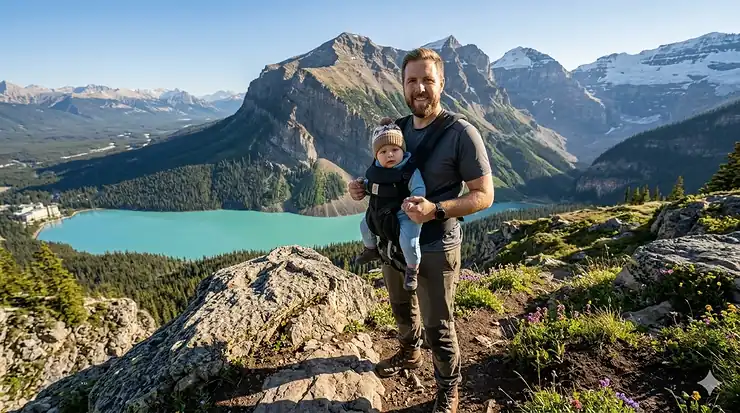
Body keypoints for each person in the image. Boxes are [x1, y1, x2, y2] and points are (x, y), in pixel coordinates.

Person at [348, 47, 494, 413]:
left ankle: (448, 390)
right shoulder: (394, 130)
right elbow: (382, 173)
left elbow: (484, 196)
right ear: (402, 85)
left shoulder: (462, 133)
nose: (420, 88)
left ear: (441, 83)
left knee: (439, 326)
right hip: (392, 240)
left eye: (428, 80)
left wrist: (436, 209)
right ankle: (409, 353)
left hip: (436, 244)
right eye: (412, 80)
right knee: (399, 303)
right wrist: (361, 188)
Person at [354, 121, 426, 292]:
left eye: (395, 150)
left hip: (405, 214)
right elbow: (371, 185)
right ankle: (371, 250)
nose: (390, 155)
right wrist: (361, 185)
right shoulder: (377, 169)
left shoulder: (409, 171)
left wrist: (414, 201)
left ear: (403, 150)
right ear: (376, 155)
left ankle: (412, 269)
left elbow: (419, 189)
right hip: (379, 211)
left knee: (409, 241)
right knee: (364, 226)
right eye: (383, 152)